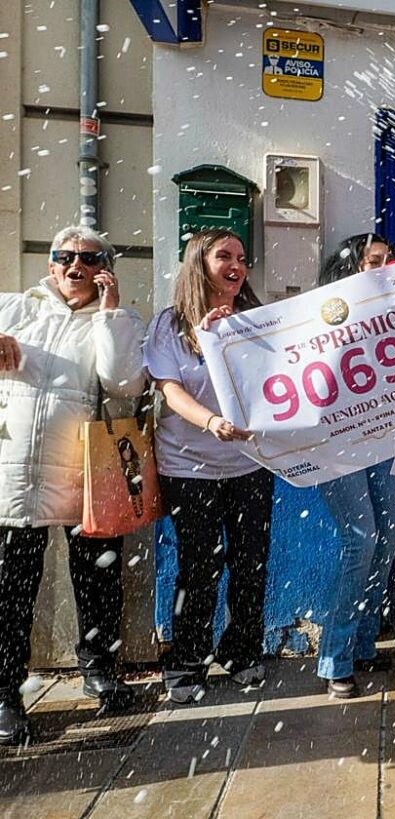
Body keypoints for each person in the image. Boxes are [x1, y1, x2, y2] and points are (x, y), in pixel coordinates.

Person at [0, 227, 145, 745]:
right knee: (10, 592)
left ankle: (99, 666)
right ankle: (5, 694)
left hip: (88, 472)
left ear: (105, 267)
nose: (75, 266)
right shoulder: (16, 308)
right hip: (16, 474)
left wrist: (109, 314)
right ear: (50, 265)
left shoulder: (119, 318)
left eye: (88, 258)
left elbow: (124, 382)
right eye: (64, 257)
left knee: (99, 579)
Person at [144, 228, 273, 705]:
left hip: (249, 466)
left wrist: (234, 339)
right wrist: (211, 420)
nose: (236, 265)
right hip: (189, 468)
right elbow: (170, 390)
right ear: (199, 262)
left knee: (251, 563)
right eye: (224, 256)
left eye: (242, 257)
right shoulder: (170, 325)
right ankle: (185, 660)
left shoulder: (254, 321)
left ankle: (241, 651)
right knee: (198, 568)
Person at [314, 233, 395, 698]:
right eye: (375, 262)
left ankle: (364, 640)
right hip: (337, 444)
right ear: (351, 268)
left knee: (388, 537)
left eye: (389, 261)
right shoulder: (322, 313)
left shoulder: (387, 312)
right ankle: (335, 658)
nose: (384, 269)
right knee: (361, 539)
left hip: (378, 440)